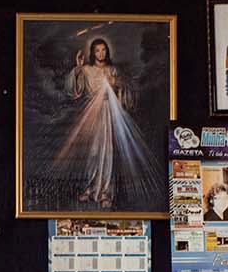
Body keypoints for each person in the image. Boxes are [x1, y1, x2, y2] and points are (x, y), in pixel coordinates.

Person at [52, 37, 158, 209]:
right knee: (92, 153)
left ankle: (106, 193)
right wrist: (78, 69)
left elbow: (127, 91)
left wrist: (117, 84)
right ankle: (90, 188)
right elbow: (72, 90)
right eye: (97, 50)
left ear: (107, 51)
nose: (101, 53)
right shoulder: (86, 70)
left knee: (108, 153)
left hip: (109, 114)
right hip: (91, 116)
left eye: (103, 50)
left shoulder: (113, 70)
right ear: (92, 53)